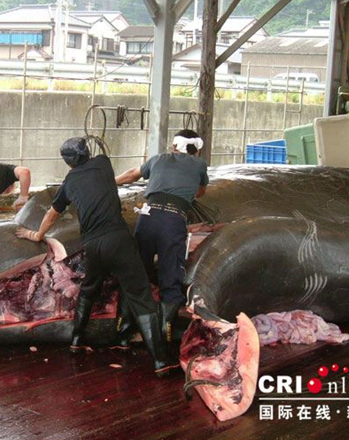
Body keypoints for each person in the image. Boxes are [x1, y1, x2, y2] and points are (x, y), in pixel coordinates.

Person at [15, 137, 178, 378]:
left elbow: (52, 214)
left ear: (67, 162)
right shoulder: (103, 163)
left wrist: (36, 235)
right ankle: (160, 361)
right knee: (141, 297)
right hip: (118, 240)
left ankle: (76, 340)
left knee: (89, 290)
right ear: (87, 152)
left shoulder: (69, 182)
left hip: (92, 245)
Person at [115, 129, 208, 345]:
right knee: (170, 276)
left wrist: (109, 182)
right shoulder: (200, 165)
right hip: (173, 221)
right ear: (197, 150)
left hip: (148, 216)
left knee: (138, 272)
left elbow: (132, 173)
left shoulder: (158, 159)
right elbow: (200, 191)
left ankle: (123, 331)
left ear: (174, 145)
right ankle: (163, 336)